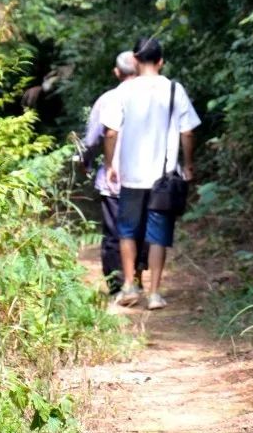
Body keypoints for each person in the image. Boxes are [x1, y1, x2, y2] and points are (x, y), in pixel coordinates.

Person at [102, 37, 201, 310]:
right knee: (158, 234)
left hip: (131, 174)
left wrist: (111, 164)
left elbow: (110, 132)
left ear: (135, 60)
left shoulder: (124, 91)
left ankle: (129, 286)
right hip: (164, 176)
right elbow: (188, 131)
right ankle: (155, 294)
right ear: (161, 61)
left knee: (127, 231)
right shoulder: (174, 90)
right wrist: (188, 164)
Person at [78, 51, 147, 294]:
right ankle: (136, 277)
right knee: (141, 228)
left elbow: (95, 138)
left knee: (114, 234)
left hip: (114, 178)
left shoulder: (108, 99)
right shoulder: (153, 95)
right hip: (147, 176)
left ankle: (118, 287)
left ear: (117, 72)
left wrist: (86, 161)